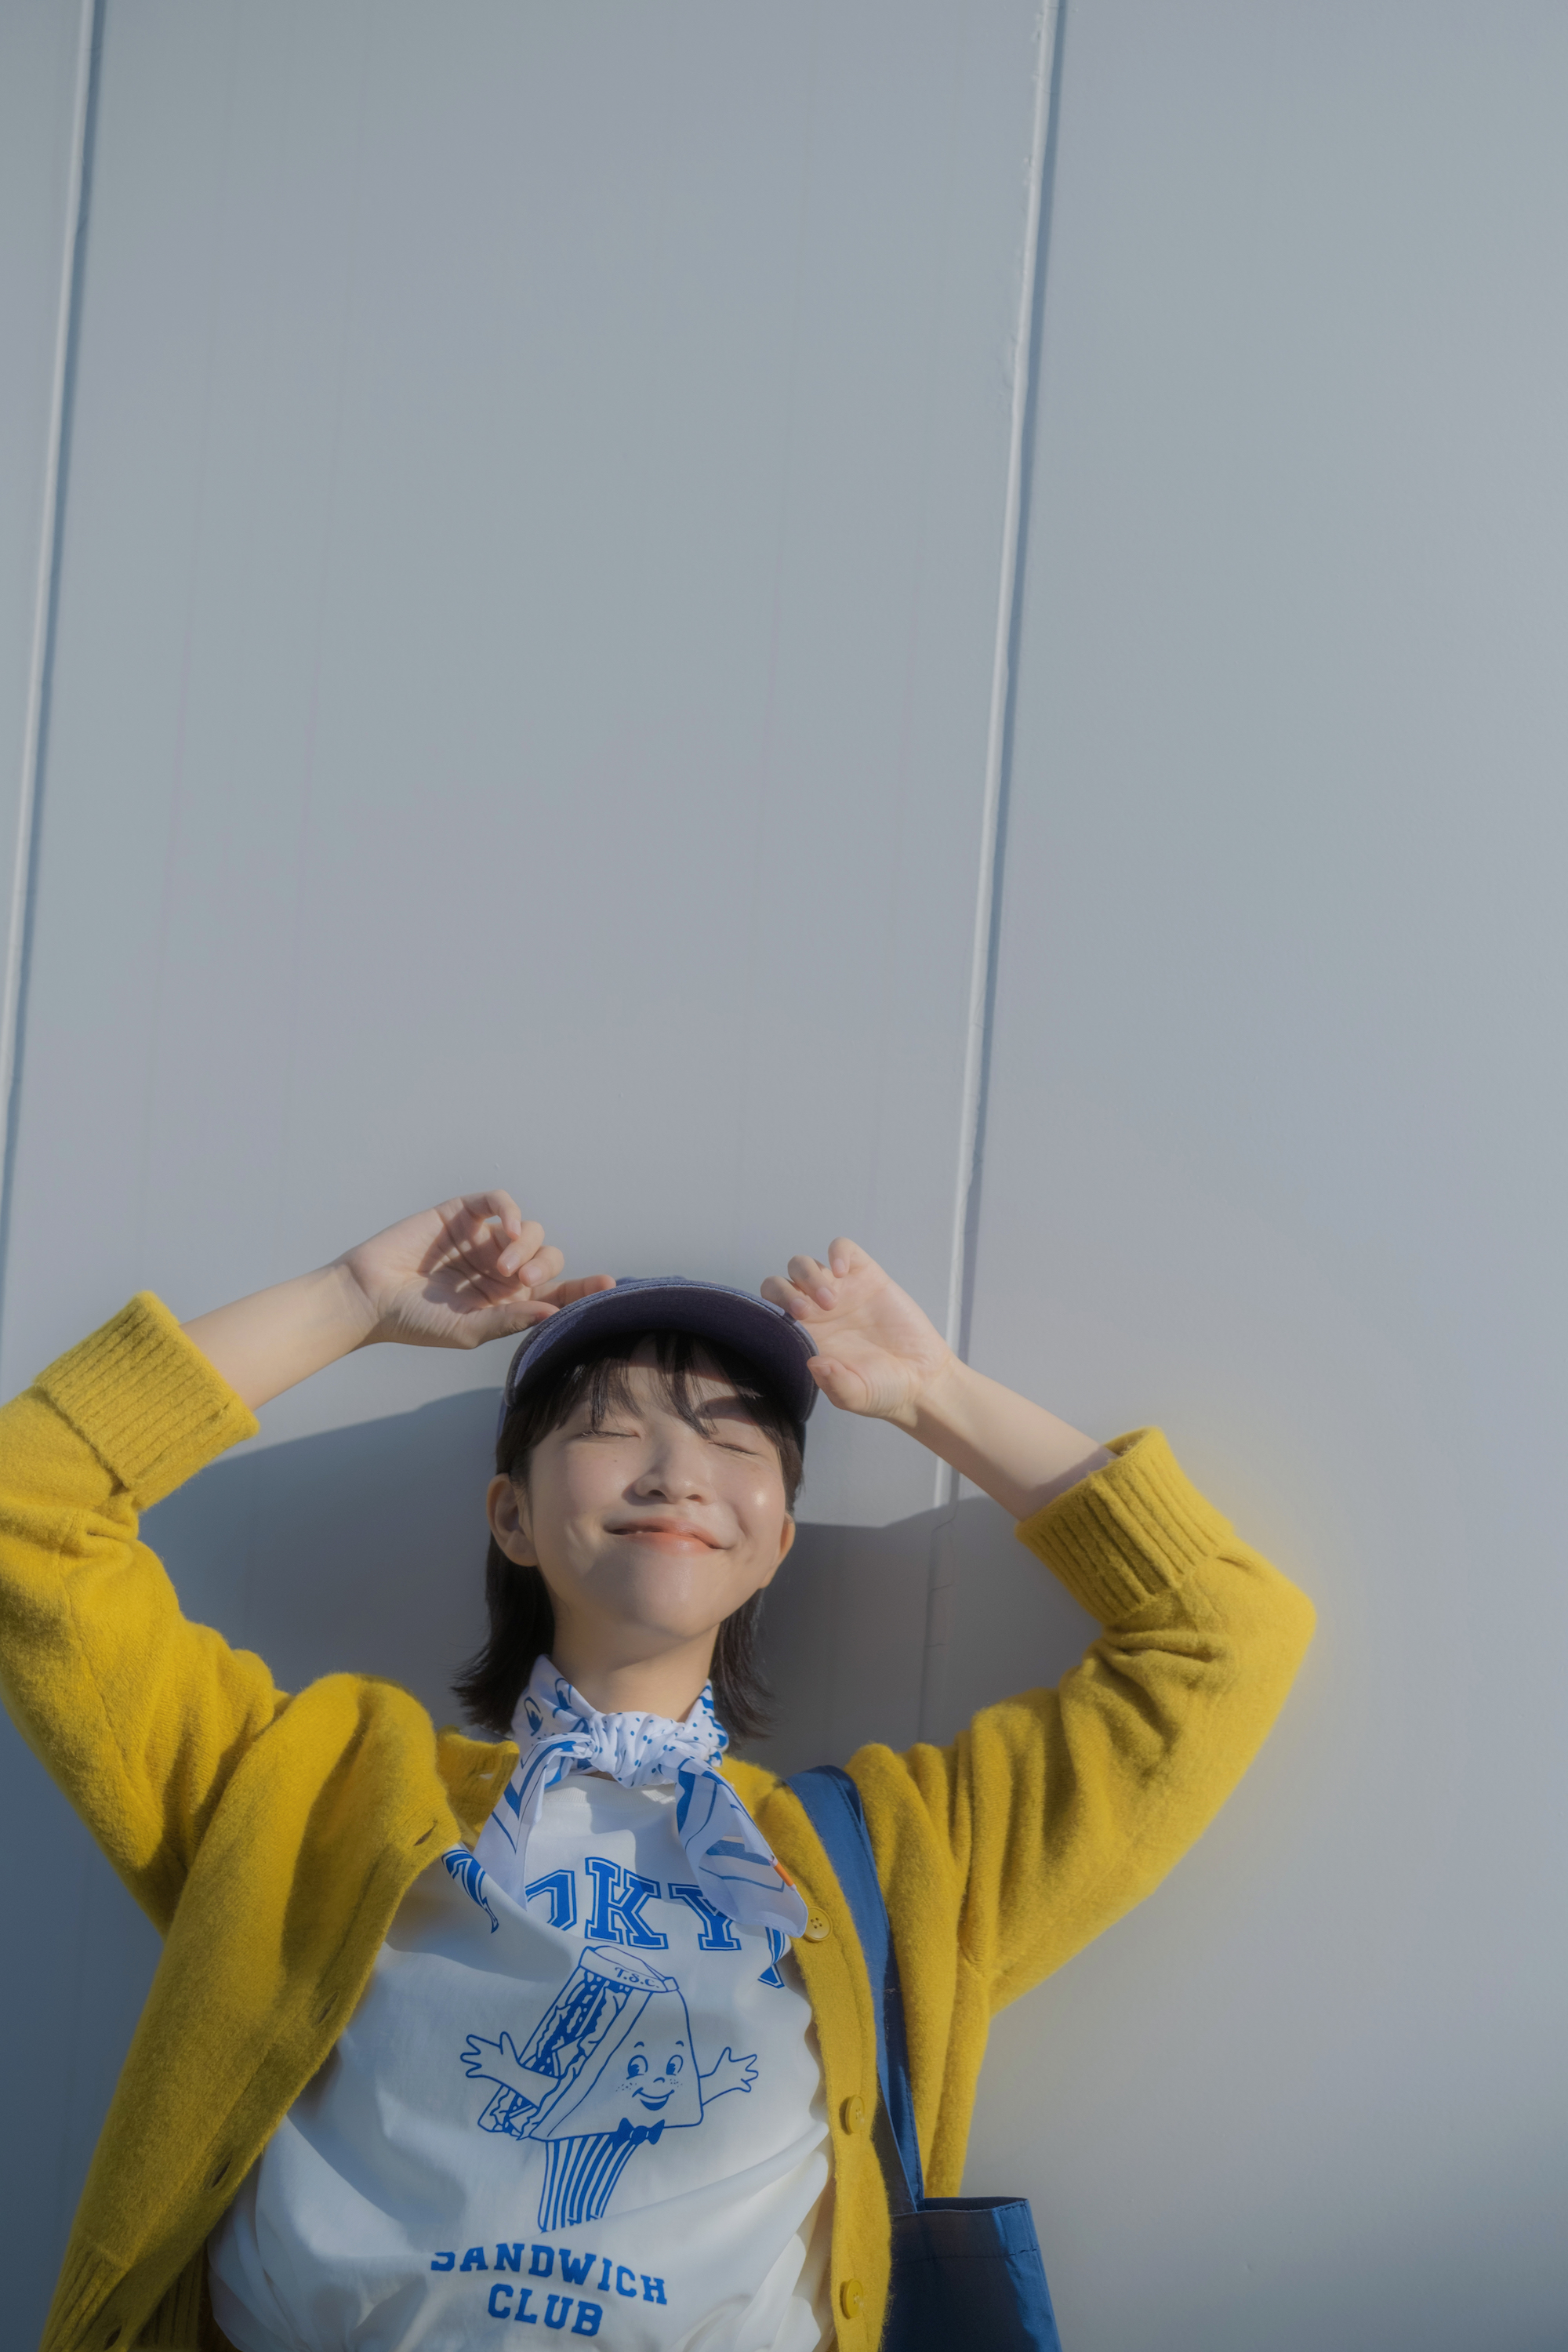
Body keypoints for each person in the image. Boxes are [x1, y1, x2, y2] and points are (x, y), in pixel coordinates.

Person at [0, 1189, 1314, 2352]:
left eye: (737, 1443)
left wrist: (933, 1392)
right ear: (512, 1515)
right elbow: (26, 1506)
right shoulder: (311, 1789)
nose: (680, 1469)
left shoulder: (896, 1861)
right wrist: (347, 1301)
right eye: (612, 1429)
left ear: (778, 1539)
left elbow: (1224, 1637)